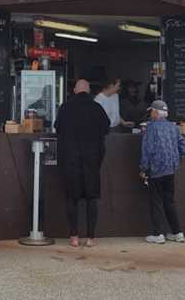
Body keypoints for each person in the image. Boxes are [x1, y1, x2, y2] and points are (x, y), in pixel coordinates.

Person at [54, 79, 110, 247]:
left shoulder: (65, 107)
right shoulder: (97, 108)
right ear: (88, 90)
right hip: (92, 160)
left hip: (71, 160)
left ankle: (74, 237)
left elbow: (58, 127)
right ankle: (91, 238)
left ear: (75, 90)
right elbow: (106, 128)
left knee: (72, 199)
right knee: (91, 199)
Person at [139, 99, 185, 244]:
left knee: (156, 202)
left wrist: (143, 168)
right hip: (170, 170)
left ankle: (158, 234)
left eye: (151, 111)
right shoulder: (173, 127)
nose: (150, 114)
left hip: (156, 169)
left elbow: (147, 150)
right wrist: (176, 159)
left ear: (155, 112)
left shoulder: (151, 128)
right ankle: (177, 232)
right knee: (169, 201)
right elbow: (184, 147)